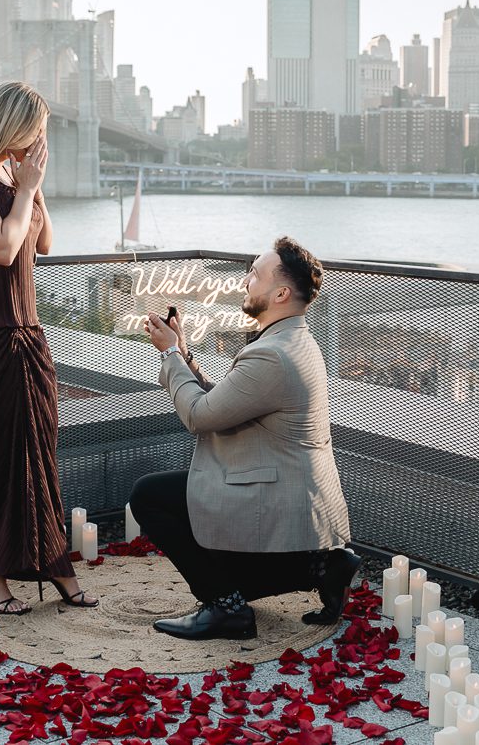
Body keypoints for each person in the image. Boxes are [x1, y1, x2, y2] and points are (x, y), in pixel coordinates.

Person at [130, 237, 358, 641]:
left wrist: (168, 356)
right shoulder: (293, 339)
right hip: (291, 486)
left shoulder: (272, 354)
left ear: (281, 293)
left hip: (275, 494)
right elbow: (228, 401)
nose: (245, 281)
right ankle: (322, 567)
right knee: (187, 515)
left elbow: (200, 416)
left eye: (255, 274)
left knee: (149, 496)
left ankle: (226, 608)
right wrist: (183, 354)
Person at [0, 81, 97, 616]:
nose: (37, 141)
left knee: (38, 454)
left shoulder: (12, 177)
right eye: (32, 130)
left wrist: (34, 185)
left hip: (27, 333)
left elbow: (45, 243)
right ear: (7, 125)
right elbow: (5, 251)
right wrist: (25, 191)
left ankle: (51, 564)